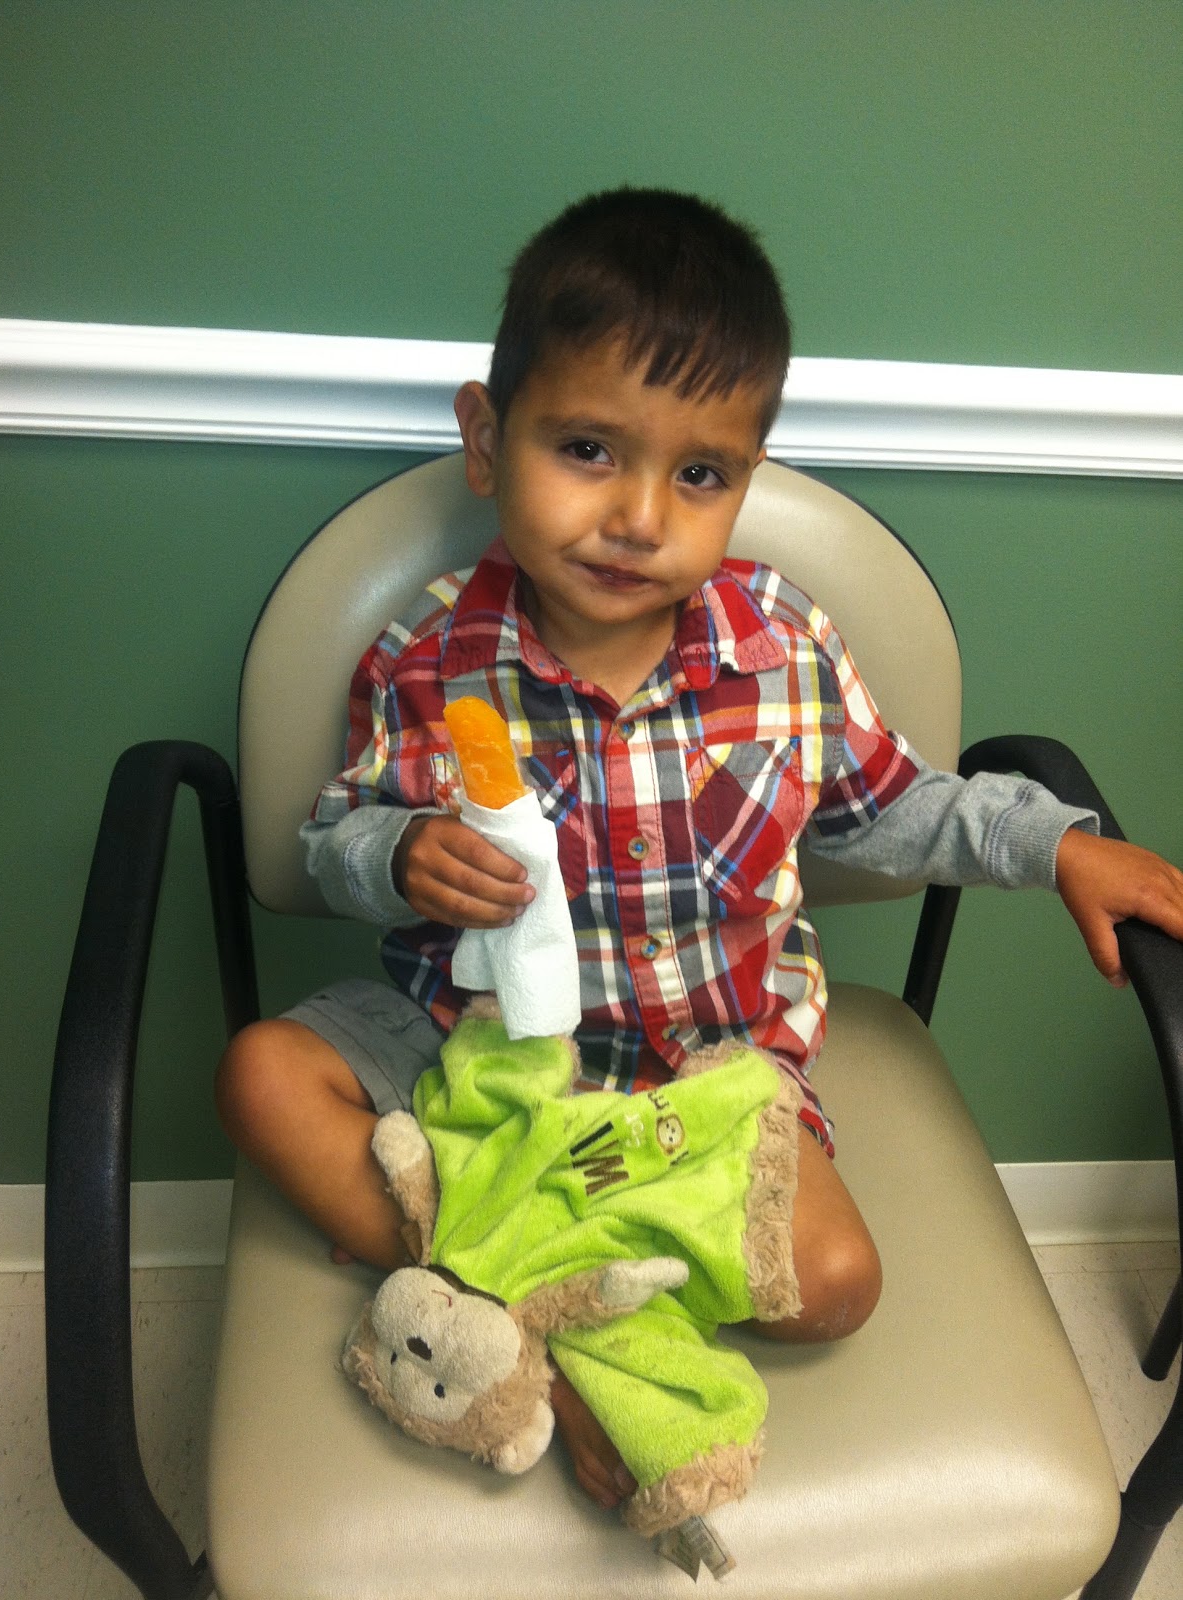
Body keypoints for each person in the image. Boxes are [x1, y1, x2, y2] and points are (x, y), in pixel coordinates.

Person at [216, 188, 1183, 1512]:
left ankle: (498, 1284)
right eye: (588, 449)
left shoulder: (783, 645)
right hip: (473, 1057)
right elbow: (331, 843)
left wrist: (1056, 845)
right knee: (263, 1075)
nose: (639, 516)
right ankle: (561, 1322)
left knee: (836, 1283)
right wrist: (396, 855)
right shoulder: (427, 655)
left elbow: (896, 804)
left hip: (706, 1074)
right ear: (488, 439)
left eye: (701, 475)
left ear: (750, 476)